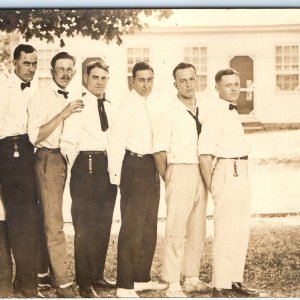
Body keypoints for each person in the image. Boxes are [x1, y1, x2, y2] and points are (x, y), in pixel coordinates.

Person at [198, 68, 259, 298]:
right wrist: (212, 186)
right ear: (217, 88)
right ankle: (220, 285)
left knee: (240, 229)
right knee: (225, 229)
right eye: (228, 85)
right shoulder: (215, 113)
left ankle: (235, 280)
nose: (234, 88)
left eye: (236, 84)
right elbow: (204, 153)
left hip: (241, 170)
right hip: (226, 171)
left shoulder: (232, 112)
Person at [108, 62, 167, 298]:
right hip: (133, 166)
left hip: (152, 166)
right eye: (141, 80)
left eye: (150, 79)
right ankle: (124, 284)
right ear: (132, 81)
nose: (146, 85)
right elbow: (116, 144)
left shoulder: (152, 105)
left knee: (149, 225)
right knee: (132, 226)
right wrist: (118, 179)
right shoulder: (127, 107)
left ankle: (141, 278)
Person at [152, 62, 212, 297]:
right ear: (175, 83)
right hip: (178, 170)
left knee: (197, 227)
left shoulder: (204, 110)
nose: (188, 84)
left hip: (201, 170)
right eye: (183, 80)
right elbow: (159, 152)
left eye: (192, 79)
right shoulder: (168, 113)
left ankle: (191, 278)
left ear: (197, 80)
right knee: (176, 228)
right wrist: (169, 178)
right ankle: (172, 283)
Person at [28, 51, 84, 298]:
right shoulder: (41, 96)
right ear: (51, 71)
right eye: (60, 68)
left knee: (49, 219)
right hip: (47, 158)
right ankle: (62, 283)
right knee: (54, 223)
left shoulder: (74, 95)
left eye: (69, 68)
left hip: (63, 159)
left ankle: (43, 275)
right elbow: (35, 136)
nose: (65, 73)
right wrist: (64, 113)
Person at [60, 60, 118, 298]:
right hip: (87, 166)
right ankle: (84, 282)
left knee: (103, 224)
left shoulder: (110, 106)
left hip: (106, 167)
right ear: (86, 78)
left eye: (104, 78)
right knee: (85, 226)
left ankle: (97, 275)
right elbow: (67, 144)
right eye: (95, 77)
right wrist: (82, 168)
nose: (100, 82)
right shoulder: (79, 106)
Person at [0, 44, 44, 298]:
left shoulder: (35, 92)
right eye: (26, 63)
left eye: (34, 64)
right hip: (10, 151)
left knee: (29, 219)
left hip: (29, 152)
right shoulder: (4, 88)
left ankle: (27, 283)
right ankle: (24, 286)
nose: (31, 68)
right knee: (18, 217)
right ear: (15, 63)